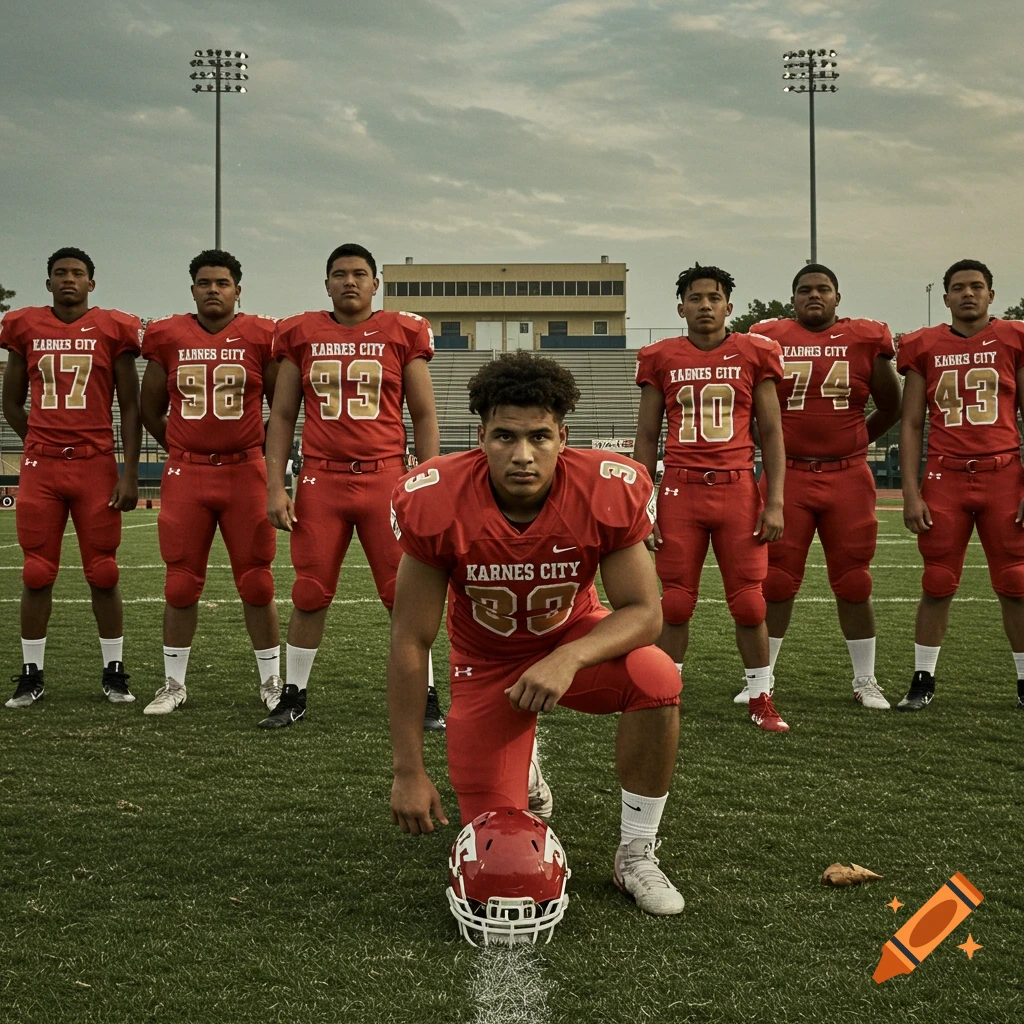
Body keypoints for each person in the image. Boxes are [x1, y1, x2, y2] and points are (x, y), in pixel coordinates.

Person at [387, 352, 684, 916]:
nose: (522, 455)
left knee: (656, 674)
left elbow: (645, 613)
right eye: (504, 436)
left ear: (563, 436)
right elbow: (410, 639)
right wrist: (408, 769)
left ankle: (637, 852)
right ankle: (521, 766)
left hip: (573, 637)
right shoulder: (435, 499)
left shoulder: (605, 486)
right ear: (480, 436)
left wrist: (568, 657)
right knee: (496, 848)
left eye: (540, 437)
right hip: (486, 666)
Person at [263, 243, 441, 729]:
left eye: (359, 274)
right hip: (322, 479)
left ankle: (425, 694)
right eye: (339, 274)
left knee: (401, 594)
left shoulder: (401, 331)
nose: (349, 281)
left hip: (386, 476)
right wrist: (276, 486)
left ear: (375, 283)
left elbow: (423, 414)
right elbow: (281, 415)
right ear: (326, 284)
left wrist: (432, 480)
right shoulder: (301, 333)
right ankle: (293, 692)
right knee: (309, 590)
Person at [634, 263, 789, 732]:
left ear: (729, 306)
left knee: (750, 602)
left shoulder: (753, 352)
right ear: (680, 306)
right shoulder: (660, 357)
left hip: (738, 487)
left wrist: (775, 498)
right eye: (696, 298)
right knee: (676, 602)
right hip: (680, 488)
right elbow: (645, 437)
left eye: (714, 298)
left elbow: (772, 431)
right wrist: (646, 505)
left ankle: (761, 696)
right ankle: (665, 692)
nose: (705, 305)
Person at [739, 264, 902, 709]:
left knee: (854, 580)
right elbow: (749, 407)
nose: (815, 295)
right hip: (786, 474)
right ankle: (761, 679)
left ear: (837, 297)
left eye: (823, 289)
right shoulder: (768, 338)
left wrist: (852, 443)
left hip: (847, 476)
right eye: (805, 290)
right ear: (792, 299)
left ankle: (865, 680)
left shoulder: (866, 339)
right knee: (776, 580)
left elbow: (892, 406)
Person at [138, 250, 281, 714]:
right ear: (192, 288)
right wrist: (182, 445)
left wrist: (260, 451)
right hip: (188, 472)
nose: (213, 290)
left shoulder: (261, 336)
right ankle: (173, 684)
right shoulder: (168, 336)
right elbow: (149, 409)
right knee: (180, 584)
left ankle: (273, 680)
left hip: (245, 471)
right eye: (204, 282)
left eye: (222, 282)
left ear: (238, 289)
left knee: (257, 583)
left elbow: (282, 409)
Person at [1, 247, 141, 707]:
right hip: (43, 465)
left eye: (77, 273)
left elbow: (130, 405)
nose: (68, 280)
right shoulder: (26, 327)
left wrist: (128, 471)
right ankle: (30, 672)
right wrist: (40, 439)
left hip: (95, 462)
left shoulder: (111, 328)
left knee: (103, 571)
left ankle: (115, 670)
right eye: (59, 273)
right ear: (47, 283)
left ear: (91, 283)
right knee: (37, 571)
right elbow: (12, 402)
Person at [897, 259, 1024, 711]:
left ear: (992, 294)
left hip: (1003, 473)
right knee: (937, 580)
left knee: (1016, 580)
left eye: (976, 286)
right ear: (946, 297)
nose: (967, 293)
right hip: (945, 475)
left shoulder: (1013, 338)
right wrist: (911, 492)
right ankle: (923, 677)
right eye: (958, 288)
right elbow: (911, 424)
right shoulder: (924, 345)